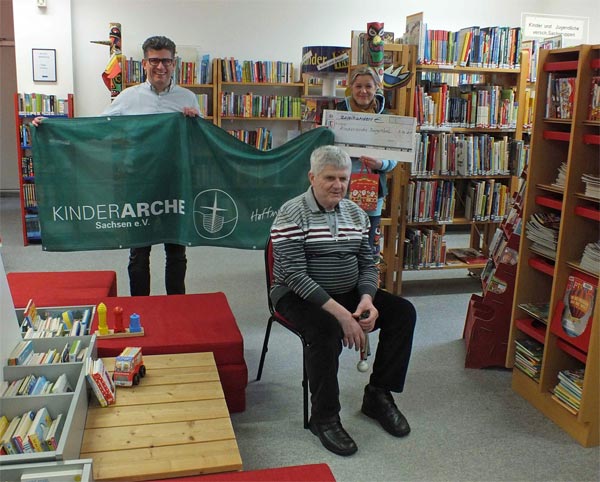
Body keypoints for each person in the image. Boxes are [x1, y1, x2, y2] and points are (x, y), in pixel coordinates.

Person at [270, 145, 416, 456]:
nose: (338, 185)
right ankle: (325, 417)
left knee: (403, 312)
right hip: (295, 294)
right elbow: (294, 276)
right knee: (324, 331)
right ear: (312, 177)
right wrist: (342, 316)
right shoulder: (290, 213)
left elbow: (368, 263)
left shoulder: (357, 213)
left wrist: (367, 299)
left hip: (348, 290)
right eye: (330, 178)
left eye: (343, 178)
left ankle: (378, 394)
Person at [336, 66, 397, 263]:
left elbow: (394, 158)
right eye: (358, 86)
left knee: (369, 248)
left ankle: (367, 292)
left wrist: (381, 163)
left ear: (376, 87)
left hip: (372, 193)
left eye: (368, 86)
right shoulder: (337, 111)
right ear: (351, 87)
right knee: (340, 245)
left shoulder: (385, 116)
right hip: (340, 191)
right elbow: (325, 150)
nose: (363, 91)